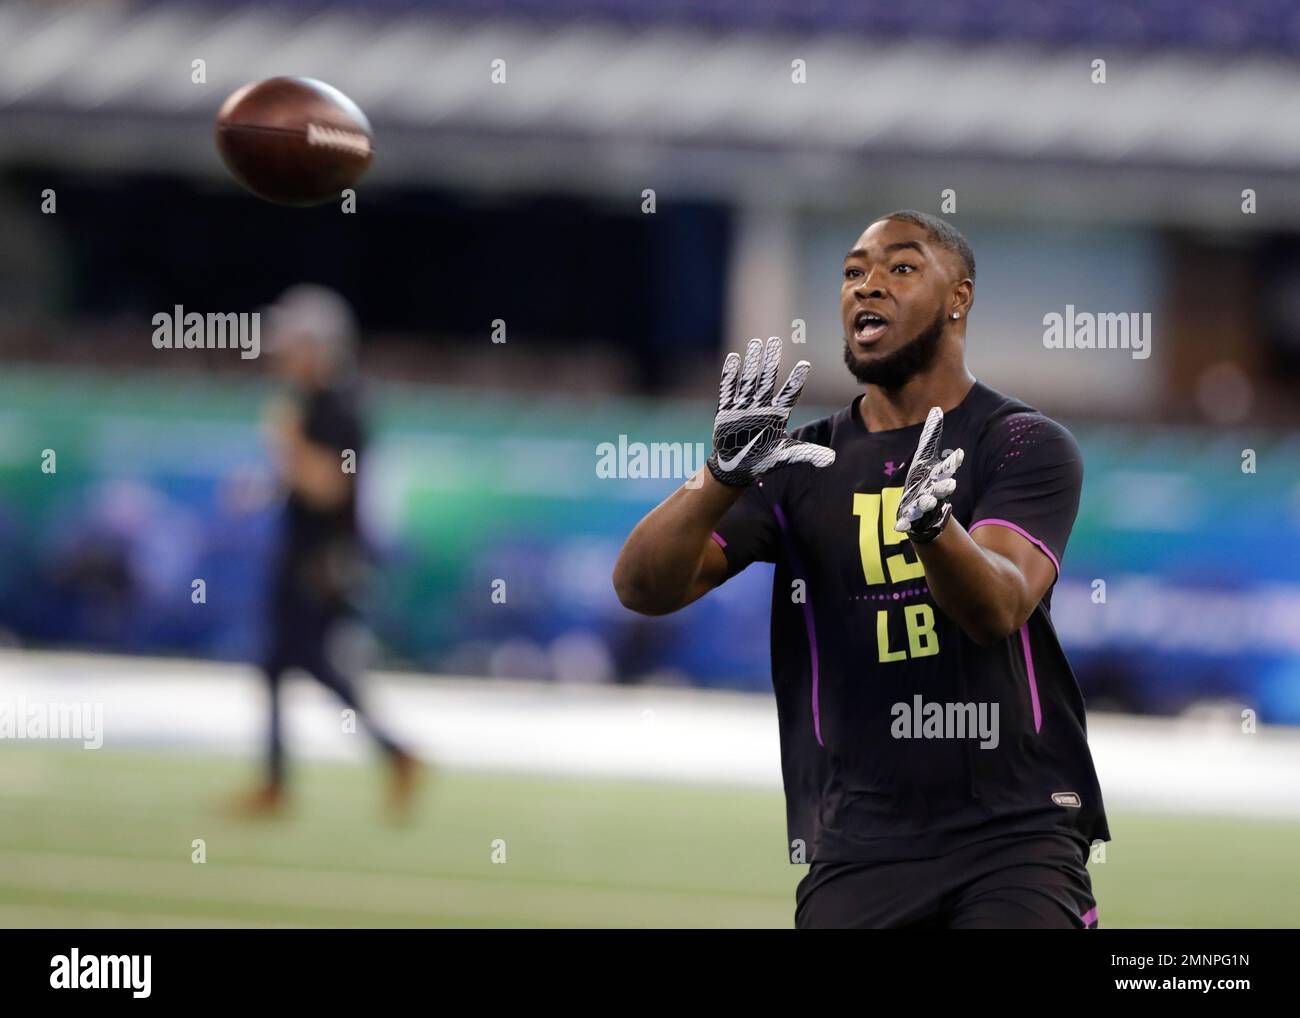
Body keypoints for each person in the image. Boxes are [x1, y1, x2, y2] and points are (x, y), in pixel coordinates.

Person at [613, 211, 1109, 929]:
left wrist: (933, 528)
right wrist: (717, 477)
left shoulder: (1021, 442)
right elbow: (641, 586)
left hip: (1017, 829)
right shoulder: (797, 465)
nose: (867, 286)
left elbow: (997, 605)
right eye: (852, 272)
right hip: (859, 837)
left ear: (958, 297)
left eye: (901, 268)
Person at [231, 284, 419, 820]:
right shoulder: (316, 403)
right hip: (301, 552)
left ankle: (390, 753)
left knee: (306, 663)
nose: (282, 354)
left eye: (293, 343)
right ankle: (279, 782)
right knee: (281, 665)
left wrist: (286, 443)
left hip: (321, 562)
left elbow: (331, 486)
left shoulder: (341, 406)